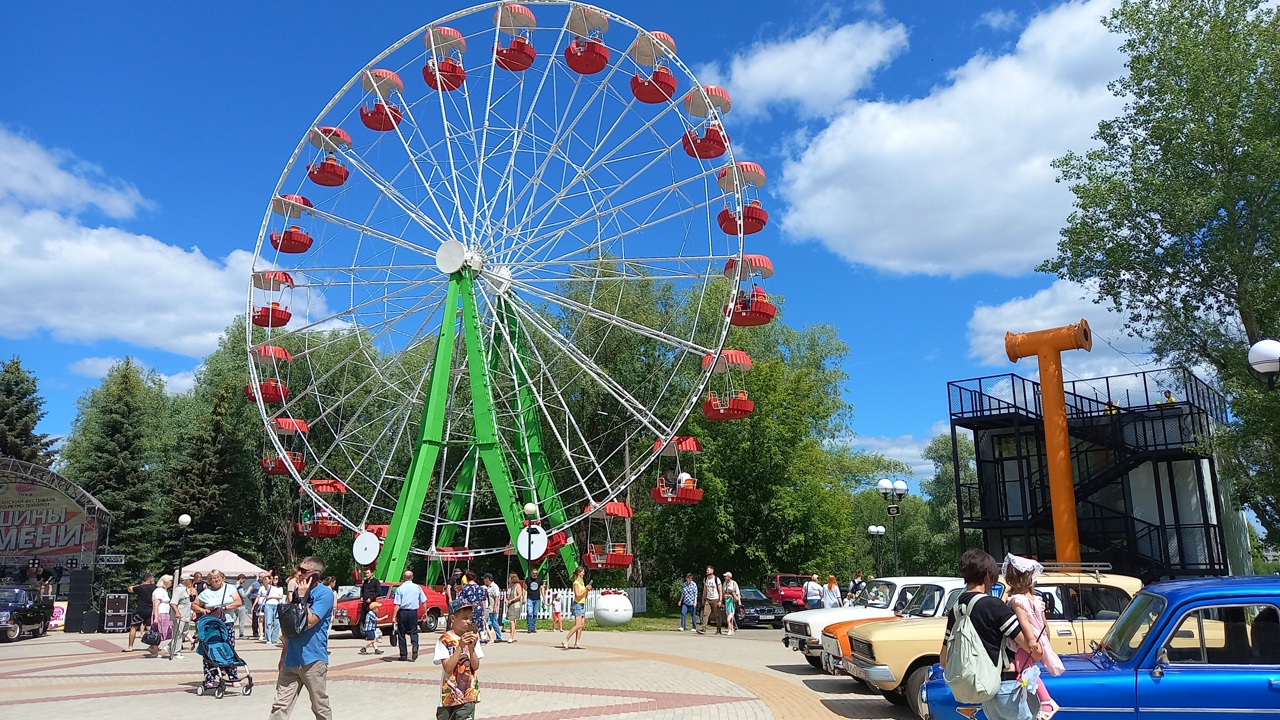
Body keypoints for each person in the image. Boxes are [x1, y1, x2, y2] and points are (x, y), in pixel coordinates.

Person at [939, 549, 1040, 720]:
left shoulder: (956, 609)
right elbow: (1034, 650)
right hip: (1008, 689)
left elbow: (943, 659)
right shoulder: (994, 606)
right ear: (988, 575)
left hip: (985, 693)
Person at [269, 555, 333, 720]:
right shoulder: (297, 592)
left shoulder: (324, 594)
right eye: (299, 569)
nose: (299, 573)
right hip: (291, 660)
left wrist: (303, 599)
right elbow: (290, 627)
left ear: (316, 574)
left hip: (313, 660)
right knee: (280, 706)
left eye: (304, 571)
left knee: (320, 706)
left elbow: (310, 621)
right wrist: (283, 656)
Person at [1004, 554, 1063, 720]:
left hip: (1029, 640)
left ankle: (1046, 701)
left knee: (1025, 670)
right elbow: (1043, 622)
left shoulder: (1016, 600)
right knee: (1027, 670)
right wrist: (1045, 639)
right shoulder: (1037, 599)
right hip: (1040, 637)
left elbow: (1024, 622)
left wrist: (1029, 640)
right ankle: (1038, 701)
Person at [193, 570, 244, 689]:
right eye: (213, 578)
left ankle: (232, 676)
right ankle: (209, 678)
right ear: (210, 581)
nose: (216, 580)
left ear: (222, 578)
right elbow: (194, 605)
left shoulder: (230, 588)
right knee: (209, 650)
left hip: (227, 623)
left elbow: (238, 602)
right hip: (211, 625)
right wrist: (202, 610)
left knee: (228, 648)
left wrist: (224, 607)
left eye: (218, 577)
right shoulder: (206, 592)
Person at [434, 600, 484, 720]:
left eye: (470, 618)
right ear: (452, 618)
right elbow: (448, 668)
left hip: (468, 692)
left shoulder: (472, 637)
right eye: (464, 618)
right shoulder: (444, 640)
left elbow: (475, 666)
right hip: (449, 693)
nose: (468, 621)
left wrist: (471, 649)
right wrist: (460, 647)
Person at [394, 570, 427, 662]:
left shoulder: (400, 588)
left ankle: (403, 655)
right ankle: (415, 646)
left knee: (401, 633)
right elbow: (423, 602)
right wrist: (425, 612)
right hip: (413, 612)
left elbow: (397, 604)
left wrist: (394, 616)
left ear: (404, 578)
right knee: (413, 631)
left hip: (403, 612)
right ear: (412, 577)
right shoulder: (417, 588)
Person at [124, 573, 157, 652]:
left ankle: (130, 646)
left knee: (133, 627)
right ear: (150, 580)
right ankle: (155, 645)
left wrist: (139, 585)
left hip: (141, 611)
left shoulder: (140, 588)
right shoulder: (155, 587)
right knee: (151, 628)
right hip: (151, 610)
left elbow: (130, 589)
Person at [561, 566, 590, 650]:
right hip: (577, 604)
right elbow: (577, 595)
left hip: (582, 604)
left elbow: (585, 596)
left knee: (581, 625)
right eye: (582, 572)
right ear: (578, 573)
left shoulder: (582, 582)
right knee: (578, 624)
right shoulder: (576, 583)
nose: (583, 574)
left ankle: (577, 643)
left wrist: (587, 591)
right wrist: (585, 590)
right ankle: (566, 640)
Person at [457, 569, 488, 637]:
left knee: (469, 627)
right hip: (479, 609)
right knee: (479, 626)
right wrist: (484, 611)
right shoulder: (480, 588)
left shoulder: (465, 588)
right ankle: (480, 639)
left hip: (469, 610)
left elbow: (460, 601)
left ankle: (471, 640)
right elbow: (483, 601)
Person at [169, 576, 193, 660]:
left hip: (185, 616)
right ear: (185, 581)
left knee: (184, 632)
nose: (191, 581)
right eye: (189, 580)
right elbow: (173, 603)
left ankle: (170, 647)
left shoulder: (185, 589)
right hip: (180, 616)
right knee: (178, 634)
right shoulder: (179, 589)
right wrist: (177, 613)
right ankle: (175, 652)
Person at [150, 575, 173, 657]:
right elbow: (156, 605)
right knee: (158, 633)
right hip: (160, 614)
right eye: (170, 581)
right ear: (165, 581)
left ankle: (154, 650)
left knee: (161, 633)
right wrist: (156, 618)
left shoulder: (164, 591)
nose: (171, 583)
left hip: (165, 613)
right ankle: (153, 650)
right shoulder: (159, 591)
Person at [698, 565, 723, 635]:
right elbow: (705, 589)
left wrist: (720, 600)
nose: (707, 571)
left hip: (715, 599)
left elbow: (720, 590)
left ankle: (719, 629)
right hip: (708, 599)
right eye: (706, 570)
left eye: (708, 570)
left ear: (712, 571)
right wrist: (703, 598)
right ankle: (703, 628)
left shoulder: (716, 579)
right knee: (705, 613)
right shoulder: (706, 579)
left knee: (717, 614)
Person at [263, 573, 285, 644]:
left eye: (276, 579)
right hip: (269, 605)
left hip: (277, 605)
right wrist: (268, 575)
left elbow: (280, 596)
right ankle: (268, 639)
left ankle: (274, 638)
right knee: (268, 622)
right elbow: (264, 581)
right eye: (274, 579)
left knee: (277, 623)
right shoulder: (269, 587)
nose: (275, 580)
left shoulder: (280, 588)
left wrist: (271, 597)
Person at [482, 574, 504, 643]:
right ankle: (487, 636)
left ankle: (499, 637)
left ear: (488, 579)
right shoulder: (488, 587)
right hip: (488, 607)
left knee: (494, 622)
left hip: (492, 607)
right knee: (486, 622)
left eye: (485, 579)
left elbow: (497, 597)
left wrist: (495, 607)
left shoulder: (494, 587)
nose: (484, 580)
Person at [503, 572, 524, 643]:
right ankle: (514, 636)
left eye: (509, 577)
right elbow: (507, 595)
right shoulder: (509, 586)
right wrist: (506, 599)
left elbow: (520, 594)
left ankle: (511, 637)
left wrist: (512, 600)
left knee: (511, 621)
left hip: (515, 605)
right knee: (512, 621)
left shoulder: (517, 585)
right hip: (510, 605)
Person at [523, 567, 544, 633]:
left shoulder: (539, 580)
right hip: (530, 598)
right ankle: (529, 627)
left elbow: (542, 588)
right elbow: (524, 588)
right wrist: (524, 597)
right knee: (529, 612)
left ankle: (533, 627)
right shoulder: (528, 579)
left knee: (535, 613)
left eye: (536, 573)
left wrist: (544, 598)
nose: (535, 574)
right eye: (534, 573)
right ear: (531, 573)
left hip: (537, 598)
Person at [235, 575, 253, 639]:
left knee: (233, 619)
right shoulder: (239, 587)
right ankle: (241, 634)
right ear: (241, 579)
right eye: (243, 580)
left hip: (235, 604)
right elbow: (243, 595)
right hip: (241, 605)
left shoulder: (233, 586)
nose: (244, 582)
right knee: (242, 620)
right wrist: (249, 590)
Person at [723, 572, 741, 636]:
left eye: (726, 576)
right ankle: (731, 629)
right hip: (727, 602)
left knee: (730, 617)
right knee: (729, 616)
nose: (725, 577)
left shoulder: (734, 583)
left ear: (729, 577)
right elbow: (723, 592)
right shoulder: (725, 583)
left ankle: (731, 629)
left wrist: (739, 602)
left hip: (733, 602)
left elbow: (738, 593)